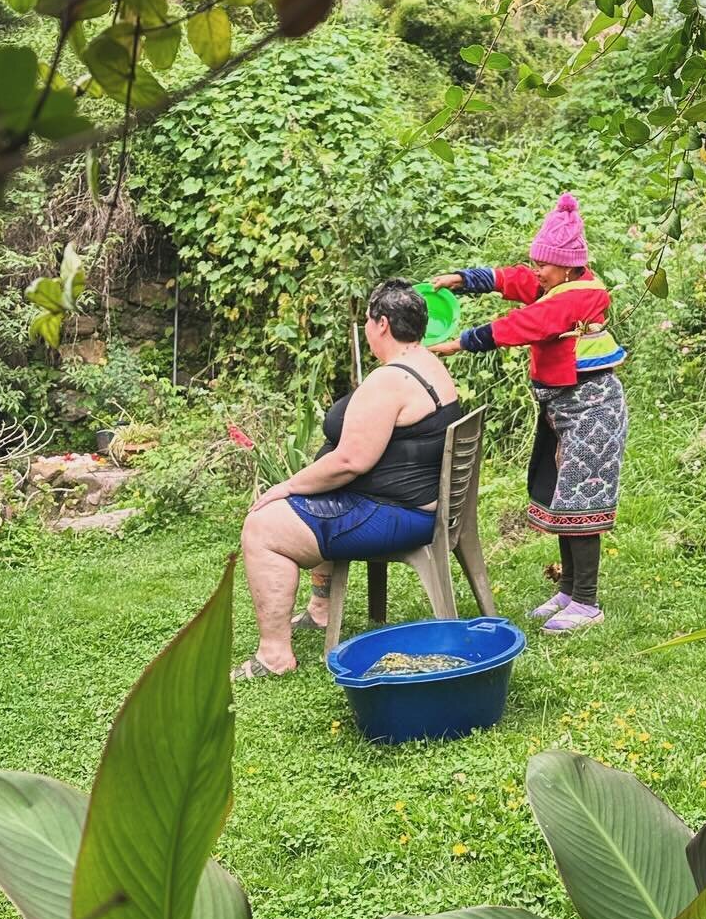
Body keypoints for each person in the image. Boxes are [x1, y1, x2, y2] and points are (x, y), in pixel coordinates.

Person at [235, 279, 461, 681]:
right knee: (313, 497)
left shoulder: (391, 380)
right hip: (415, 506)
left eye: (369, 322)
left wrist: (286, 486)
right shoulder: (429, 364)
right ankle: (321, 609)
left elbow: (350, 462)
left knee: (263, 527)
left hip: (395, 515)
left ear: (383, 325)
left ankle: (274, 656)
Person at [431, 192, 626, 633]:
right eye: (537, 262)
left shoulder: (579, 296)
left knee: (582, 499)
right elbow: (519, 281)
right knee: (562, 495)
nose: (537, 269)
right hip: (564, 407)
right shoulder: (558, 283)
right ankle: (570, 590)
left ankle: (589, 602)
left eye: (544, 263)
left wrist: (463, 342)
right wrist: (466, 280)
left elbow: (528, 324)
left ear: (569, 265)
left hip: (592, 408)